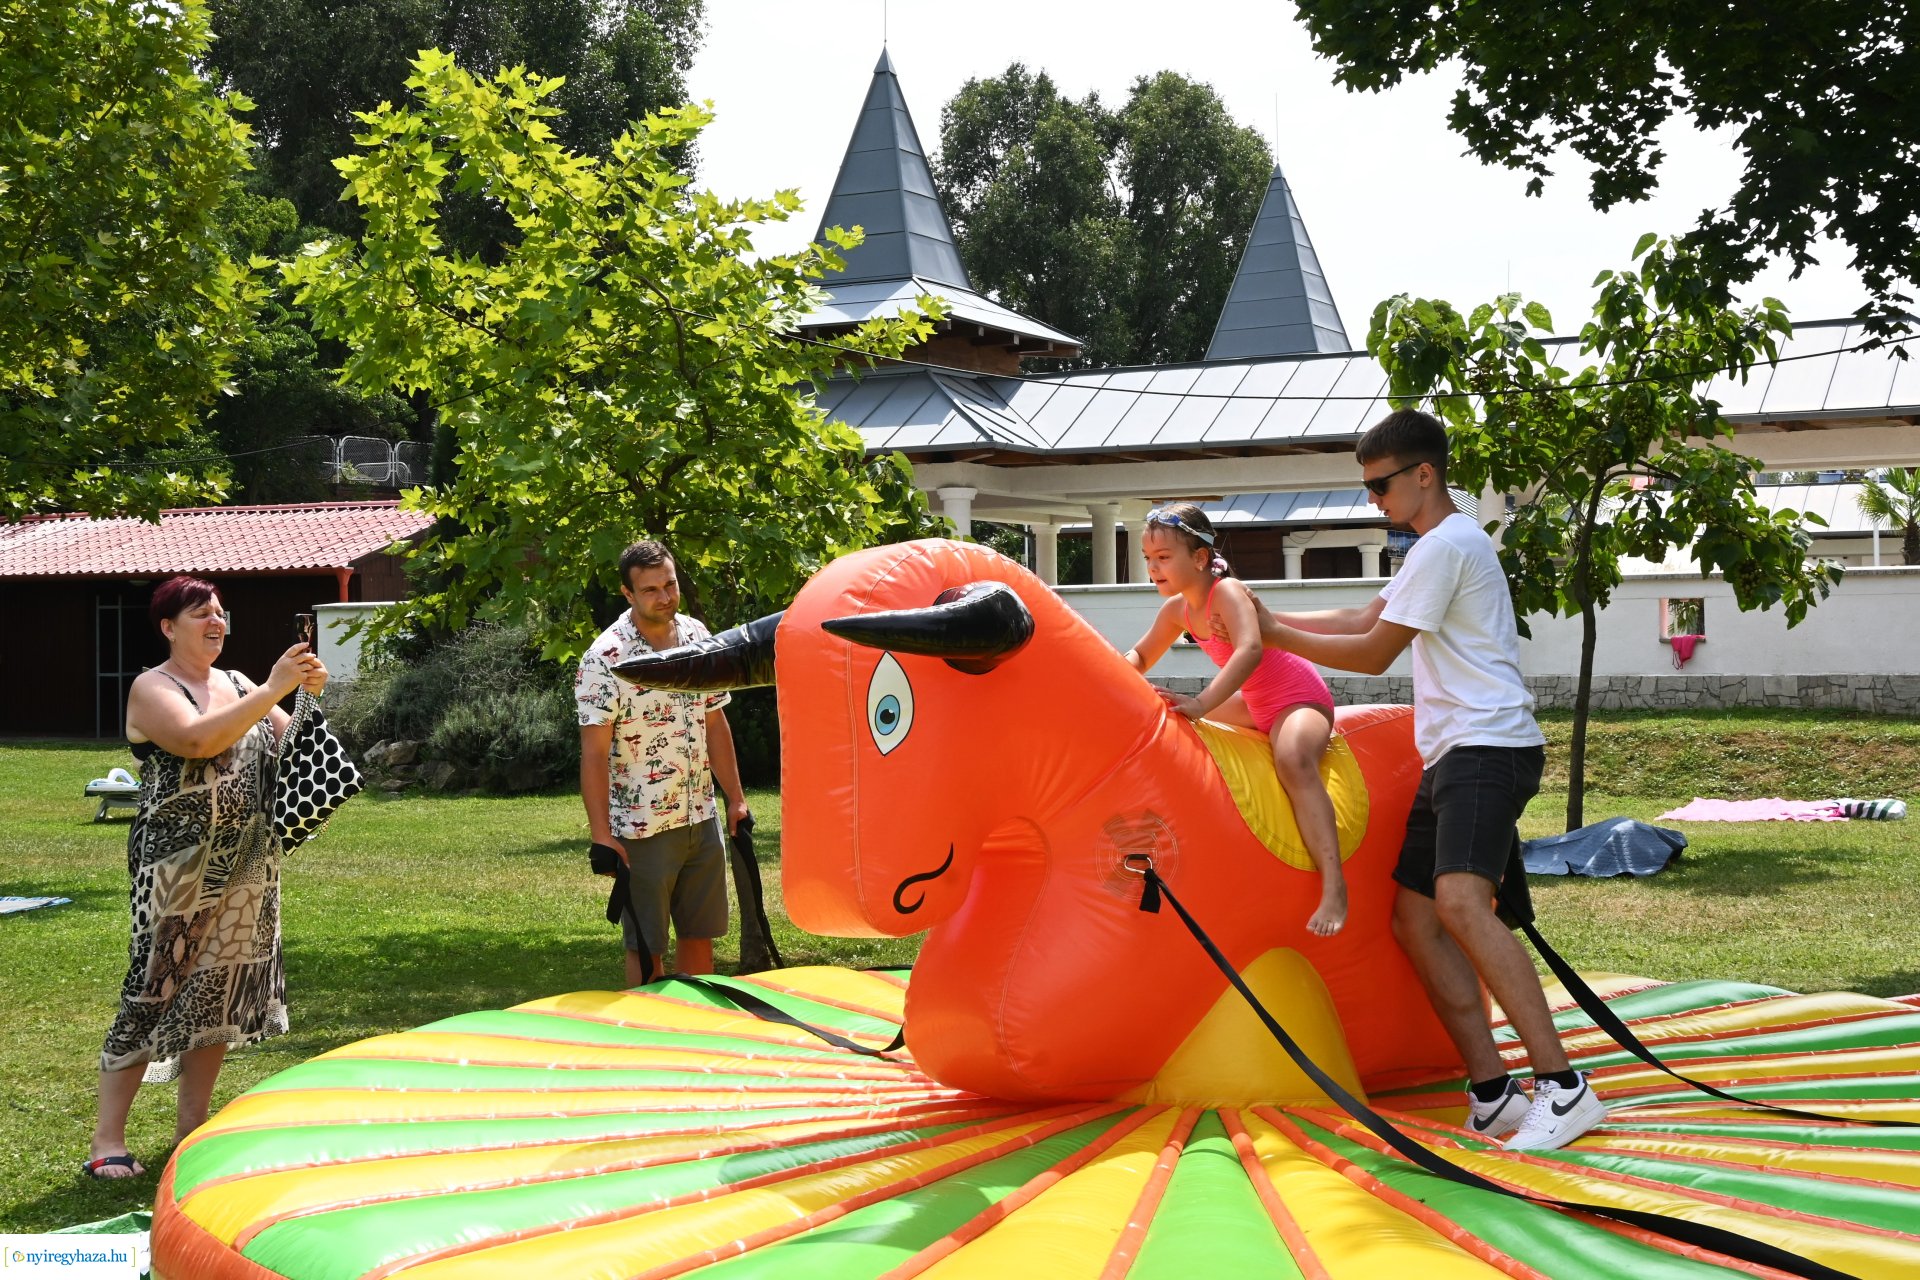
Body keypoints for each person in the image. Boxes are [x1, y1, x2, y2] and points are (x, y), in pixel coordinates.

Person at [1238, 408, 1606, 1152]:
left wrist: (1270, 635)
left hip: (1487, 747)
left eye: (1379, 486)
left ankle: (1564, 1087)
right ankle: (1494, 1092)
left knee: (1463, 905)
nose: (1373, 501)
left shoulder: (1448, 546)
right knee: (1414, 918)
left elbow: (1373, 652)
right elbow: (1366, 613)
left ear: (1424, 474)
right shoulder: (1430, 552)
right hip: (1453, 754)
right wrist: (1266, 614)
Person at [87, 576, 327, 1179]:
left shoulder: (241, 684)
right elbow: (197, 740)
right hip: (176, 868)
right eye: (200, 614)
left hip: (247, 863)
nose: (216, 622)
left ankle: (191, 1129)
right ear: (169, 627)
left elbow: (291, 745)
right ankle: (106, 1141)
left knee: (217, 989)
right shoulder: (152, 686)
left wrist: (307, 697)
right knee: (154, 983)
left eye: (220, 613)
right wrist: (274, 687)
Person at [1125, 503, 1348, 937]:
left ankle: (1335, 886)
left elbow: (1250, 650)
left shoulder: (1227, 592)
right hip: (1255, 705)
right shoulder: (1177, 611)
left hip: (1298, 699)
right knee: (1170, 712)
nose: (1153, 567)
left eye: (1164, 558)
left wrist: (1205, 703)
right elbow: (1141, 655)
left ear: (1201, 558)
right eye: (1148, 558)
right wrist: (1106, 675)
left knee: (1293, 759)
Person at [576, 540, 750, 987]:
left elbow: (715, 720)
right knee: (646, 948)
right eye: (650, 589)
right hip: (642, 828)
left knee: (700, 936)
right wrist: (601, 835)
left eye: (669, 584)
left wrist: (736, 799)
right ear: (628, 594)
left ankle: (695, 1040)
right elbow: (593, 754)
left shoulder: (697, 636)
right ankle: (645, 1041)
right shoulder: (606, 658)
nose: (665, 596)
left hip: (701, 815)